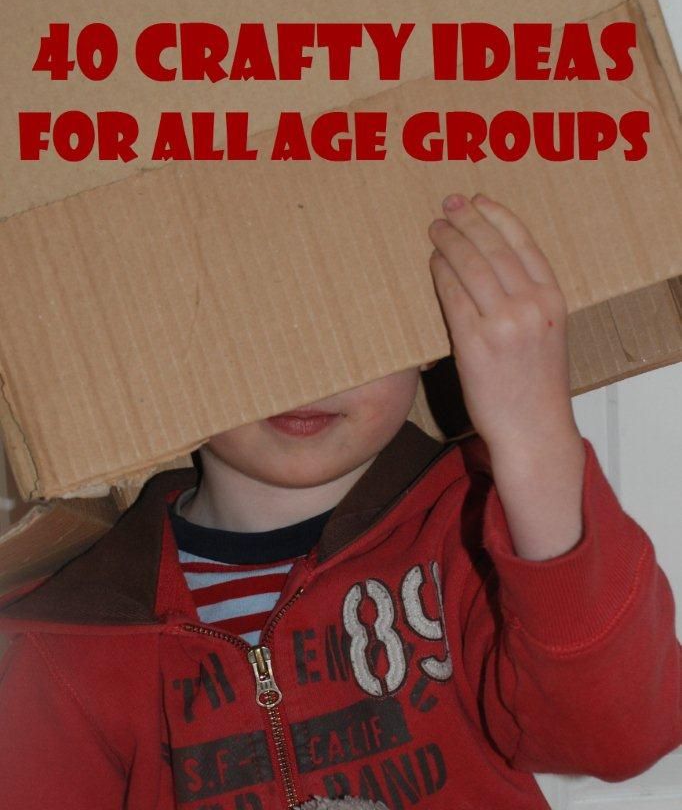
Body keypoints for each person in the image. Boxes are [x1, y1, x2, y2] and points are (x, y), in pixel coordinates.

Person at [0, 192, 679, 810]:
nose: (305, 368)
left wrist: (533, 436)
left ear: (426, 336)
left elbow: (617, 735)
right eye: (246, 324)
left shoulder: (466, 538)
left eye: (348, 314)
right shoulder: (73, 638)